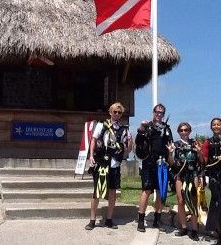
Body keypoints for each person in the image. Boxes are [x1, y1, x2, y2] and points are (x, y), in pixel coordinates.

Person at [85, 102, 132, 230]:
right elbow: (93, 140)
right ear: (110, 112)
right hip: (101, 162)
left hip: (115, 164)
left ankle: (109, 219)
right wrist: (91, 156)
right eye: (115, 112)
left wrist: (130, 141)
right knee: (97, 192)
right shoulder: (102, 125)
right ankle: (92, 220)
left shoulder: (124, 130)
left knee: (112, 192)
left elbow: (128, 150)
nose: (117, 114)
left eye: (119, 112)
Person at [135, 103, 173, 232]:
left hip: (162, 164)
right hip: (148, 163)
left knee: (160, 192)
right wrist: (141, 129)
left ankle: (157, 220)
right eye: (157, 111)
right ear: (153, 112)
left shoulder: (167, 129)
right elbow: (138, 142)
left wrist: (171, 156)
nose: (159, 114)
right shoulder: (147, 126)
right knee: (146, 191)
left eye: (161, 112)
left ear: (163, 114)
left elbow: (170, 146)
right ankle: (141, 221)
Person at [167, 122, 204, 240]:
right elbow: (171, 163)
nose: (184, 132)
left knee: (193, 201)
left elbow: (202, 161)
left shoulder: (194, 143)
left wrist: (199, 151)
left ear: (189, 131)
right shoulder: (175, 145)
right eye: (181, 130)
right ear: (178, 132)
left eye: (186, 130)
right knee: (181, 200)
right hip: (180, 175)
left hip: (192, 174)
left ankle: (194, 229)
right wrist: (170, 153)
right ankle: (183, 227)